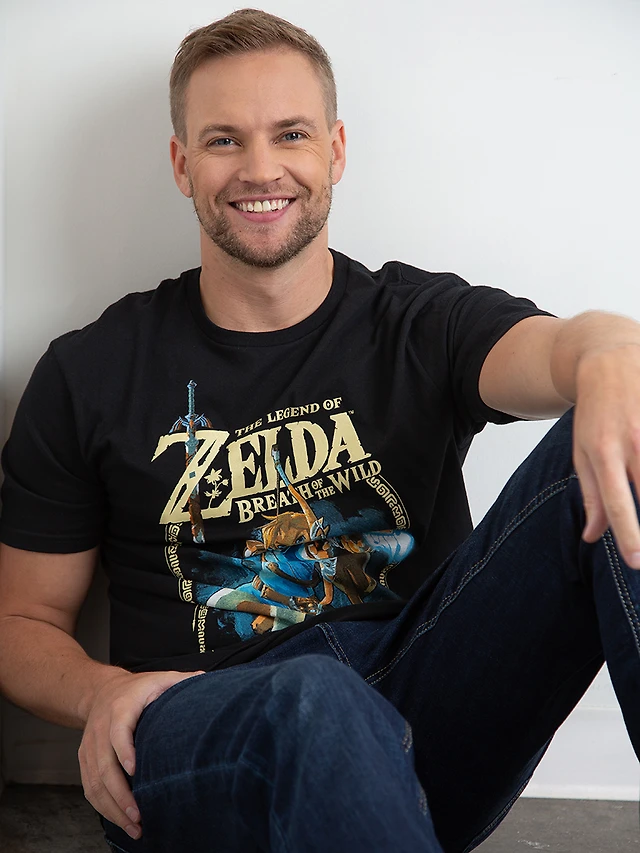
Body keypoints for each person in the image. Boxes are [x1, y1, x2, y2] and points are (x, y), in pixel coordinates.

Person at [0, 8, 639, 852]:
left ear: (334, 151)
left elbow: (554, 352)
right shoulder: (91, 369)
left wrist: (607, 352)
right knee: (313, 694)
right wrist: (98, 693)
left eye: (290, 133)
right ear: (182, 164)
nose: (260, 168)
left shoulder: (417, 323)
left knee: (621, 428)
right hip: (202, 730)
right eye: (224, 140)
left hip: (418, 705)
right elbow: (22, 620)